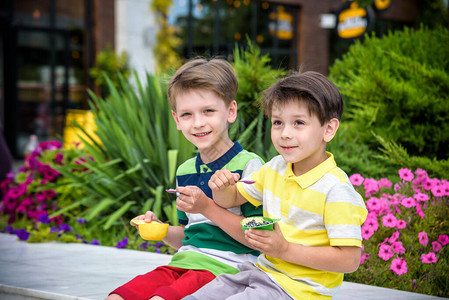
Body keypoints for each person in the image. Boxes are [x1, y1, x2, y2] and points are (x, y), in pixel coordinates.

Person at [183, 71, 368, 300]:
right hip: (259, 274)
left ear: (328, 129)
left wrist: (284, 250)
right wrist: (222, 188)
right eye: (278, 123)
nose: (285, 134)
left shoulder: (335, 190)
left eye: (299, 123)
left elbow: (349, 261)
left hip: (298, 291)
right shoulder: (274, 168)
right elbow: (229, 200)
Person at [106, 58, 264, 300]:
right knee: (117, 297)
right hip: (181, 265)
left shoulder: (250, 166)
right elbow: (189, 235)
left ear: (230, 111)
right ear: (177, 120)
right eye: (187, 115)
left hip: (226, 271)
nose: (198, 123)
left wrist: (207, 207)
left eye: (208, 111)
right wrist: (160, 230)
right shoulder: (185, 171)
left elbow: (257, 240)